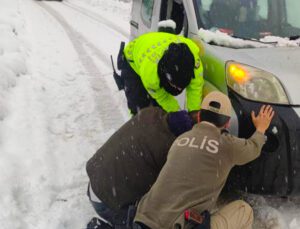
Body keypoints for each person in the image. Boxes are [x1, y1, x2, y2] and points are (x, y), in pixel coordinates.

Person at [134, 91, 275, 229]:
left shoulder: (180, 139)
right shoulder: (226, 145)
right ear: (227, 124)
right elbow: (253, 149)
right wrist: (261, 129)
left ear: (200, 116)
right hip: (178, 225)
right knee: (244, 211)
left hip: (142, 221)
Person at [86, 106, 197, 229]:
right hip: (107, 202)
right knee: (149, 223)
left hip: (96, 181)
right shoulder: (168, 152)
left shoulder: (151, 112)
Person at [115, 32, 204, 115]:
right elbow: (163, 98)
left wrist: (194, 113)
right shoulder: (151, 75)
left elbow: (195, 88)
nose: (179, 89)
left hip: (155, 41)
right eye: (175, 86)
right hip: (133, 58)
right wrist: (178, 114)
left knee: (161, 111)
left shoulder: (195, 64)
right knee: (139, 107)